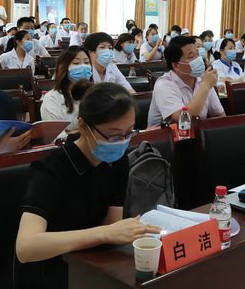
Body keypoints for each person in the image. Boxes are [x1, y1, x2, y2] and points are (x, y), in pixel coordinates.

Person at [14, 83, 160, 288]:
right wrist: (104, 234)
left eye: (129, 133)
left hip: (90, 265)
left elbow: (111, 226)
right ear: (83, 126)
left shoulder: (117, 161)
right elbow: (25, 247)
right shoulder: (51, 168)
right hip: (49, 272)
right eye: (114, 135)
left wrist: (124, 232)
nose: (122, 142)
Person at [148, 36, 225, 128]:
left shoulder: (202, 79)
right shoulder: (163, 85)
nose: (198, 60)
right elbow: (184, 122)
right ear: (176, 65)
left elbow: (219, 115)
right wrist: (204, 86)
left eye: (197, 54)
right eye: (191, 57)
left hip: (197, 134)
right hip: (166, 136)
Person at [40, 46, 93, 132]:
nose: (83, 67)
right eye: (76, 63)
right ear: (64, 67)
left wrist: (72, 131)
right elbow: (56, 134)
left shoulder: (96, 93)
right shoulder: (53, 98)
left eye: (86, 62)